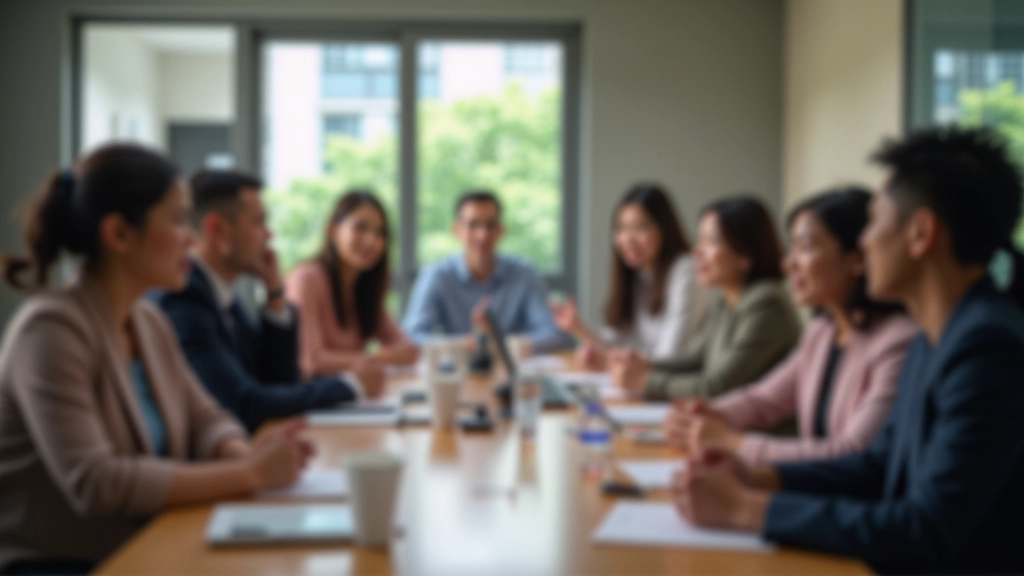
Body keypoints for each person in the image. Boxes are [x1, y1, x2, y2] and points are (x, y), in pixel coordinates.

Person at [671, 127, 1024, 574]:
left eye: (875, 220)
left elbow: (926, 529)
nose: (864, 241)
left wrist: (748, 510)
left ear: (921, 234)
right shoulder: (934, 338)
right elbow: (875, 466)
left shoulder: (986, 349)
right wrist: (756, 477)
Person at [0, 145, 312, 573]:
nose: (192, 238)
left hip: (143, 543)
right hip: (63, 564)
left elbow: (207, 419)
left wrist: (241, 452)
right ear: (119, 235)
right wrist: (251, 473)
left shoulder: (148, 320)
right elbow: (98, 483)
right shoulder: (50, 330)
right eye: (180, 220)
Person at [665, 187, 918, 465]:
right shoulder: (822, 332)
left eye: (805, 247)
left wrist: (732, 442)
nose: (788, 263)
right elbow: (763, 401)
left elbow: (852, 452)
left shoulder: (898, 342)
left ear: (856, 258)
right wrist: (712, 413)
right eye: (792, 247)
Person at [155, 170, 384, 433]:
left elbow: (278, 382)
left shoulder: (221, 295)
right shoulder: (185, 301)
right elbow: (243, 404)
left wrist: (275, 295)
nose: (269, 235)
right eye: (258, 223)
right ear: (217, 230)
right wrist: (349, 385)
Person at [610, 196, 801, 400]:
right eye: (700, 239)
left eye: (711, 240)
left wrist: (644, 381)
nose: (697, 251)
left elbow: (717, 385)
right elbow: (695, 359)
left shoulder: (766, 304)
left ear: (746, 254)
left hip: (755, 430)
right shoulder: (728, 300)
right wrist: (646, 365)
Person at [551, 183, 712, 370]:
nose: (628, 238)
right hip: (659, 383)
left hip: (687, 386)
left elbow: (669, 356)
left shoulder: (686, 270)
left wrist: (614, 361)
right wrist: (577, 327)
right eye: (621, 228)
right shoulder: (641, 274)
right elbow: (615, 341)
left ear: (664, 229)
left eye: (640, 227)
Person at [402, 189, 567, 352]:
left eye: (490, 225)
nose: (482, 235)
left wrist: (499, 345)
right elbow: (412, 336)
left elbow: (551, 334)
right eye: (473, 225)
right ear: (457, 230)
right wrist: (464, 345)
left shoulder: (524, 273)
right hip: (458, 372)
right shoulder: (436, 275)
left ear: (501, 230)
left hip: (515, 374)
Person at [285, 191, 417, 379]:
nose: (371, 240)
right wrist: (375, 358)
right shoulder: (306, 279)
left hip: (352, 400)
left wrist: (376, 358)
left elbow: (409, 350)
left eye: (380, 233)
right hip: (311, 402)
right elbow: (311, 361)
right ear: (333, 230)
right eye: (360, 228)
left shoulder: (364, 286)